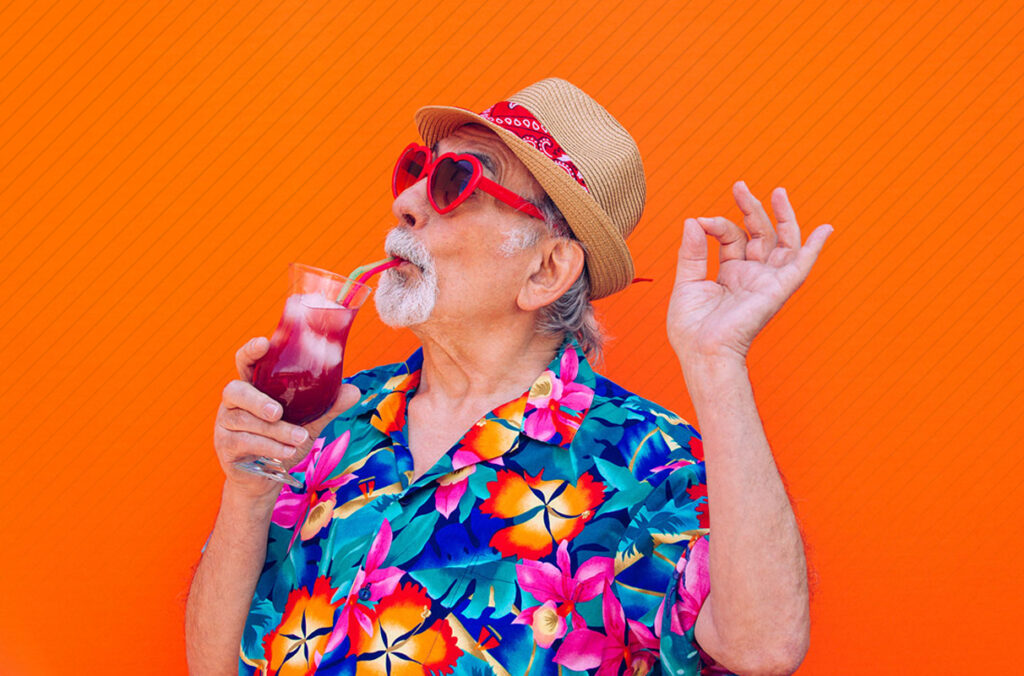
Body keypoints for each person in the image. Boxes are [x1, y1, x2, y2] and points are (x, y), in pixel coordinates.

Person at [185, 78, 832, 676]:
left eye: (454, 182)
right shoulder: (334, 423)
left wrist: (717, 361)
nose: (406, 204)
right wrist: (248, 493)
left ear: (546, 270)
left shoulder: (643, 461)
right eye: (417, 171)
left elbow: (764, 648)